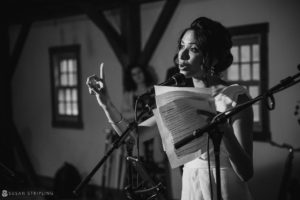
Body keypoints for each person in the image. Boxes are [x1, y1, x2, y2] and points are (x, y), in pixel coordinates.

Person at [86, 16, 254, 200]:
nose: (182, 55)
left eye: (194, 49)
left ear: (212, 58)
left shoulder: (235, 97)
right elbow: (133, 136)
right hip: (192, 186)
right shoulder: (181, 99)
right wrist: (106, 103)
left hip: (226, 187)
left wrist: (225, 130)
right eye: (181, 46)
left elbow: (246, 172)